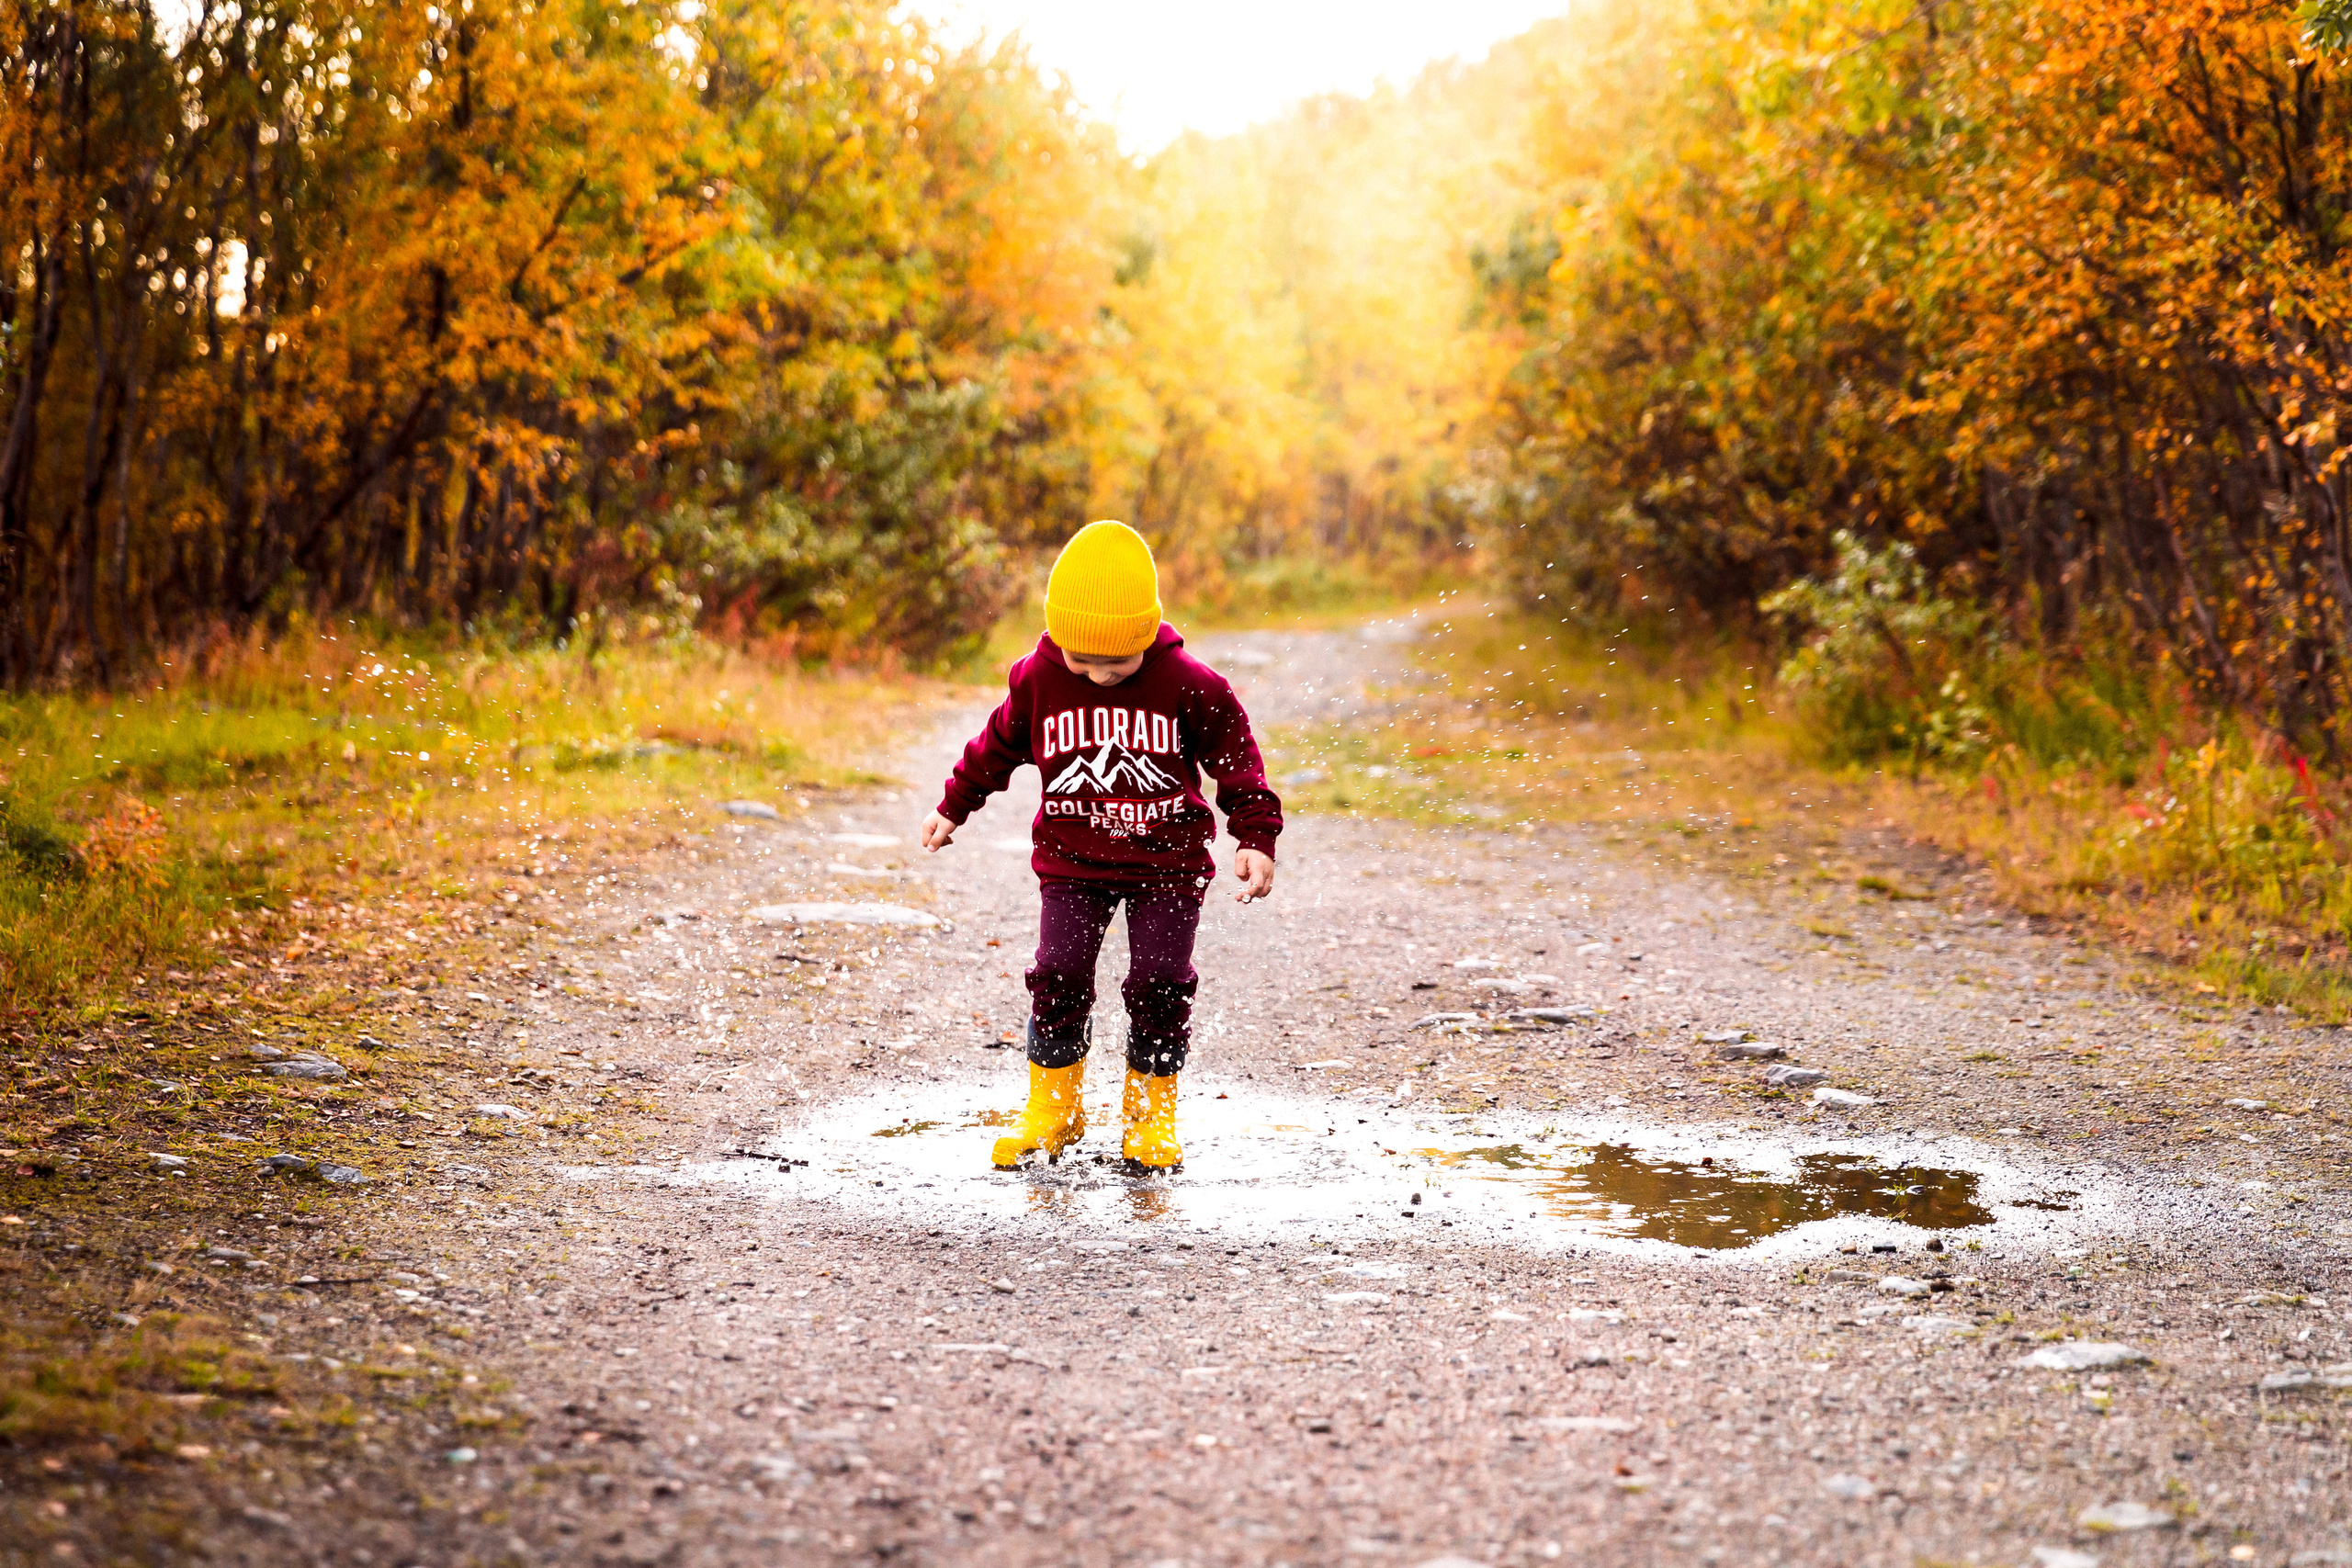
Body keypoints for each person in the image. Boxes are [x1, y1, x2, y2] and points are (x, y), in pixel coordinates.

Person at [920, 520, 1281, 1172]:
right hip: (1072, 864)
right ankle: (1053, 1110)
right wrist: (953, 806)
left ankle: (1150, 1117)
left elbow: (1236, 757)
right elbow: (995, 746)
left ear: (1147, 633)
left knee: (1161, 982)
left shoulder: (1190, 683)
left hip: (1168, 866)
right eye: (1083, 661)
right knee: (1057, 974)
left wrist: (1255, 834)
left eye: (1118, 664)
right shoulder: (1039, 677)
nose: (1100, 676)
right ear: (1058, 636)